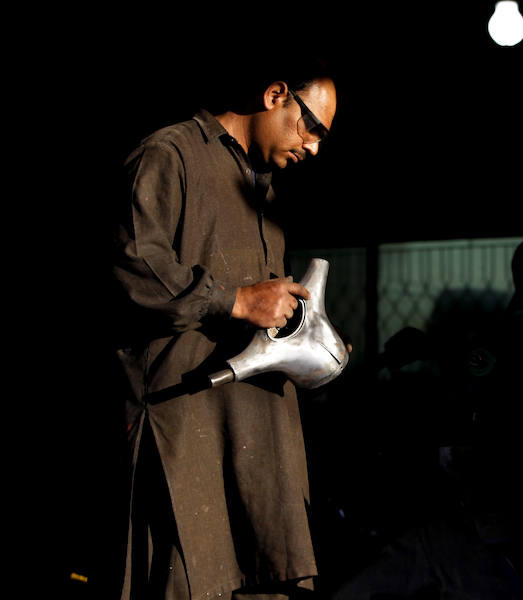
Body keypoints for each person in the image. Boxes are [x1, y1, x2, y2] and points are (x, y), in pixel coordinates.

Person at [110, 61, 337, 600]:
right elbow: (134, 265)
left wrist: (301, 333)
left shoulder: (264, 190)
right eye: (312, 127)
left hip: (257, 438)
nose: (314, 148)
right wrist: (235, 301)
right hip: (184, 427)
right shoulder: (170, 154)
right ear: (276, 94)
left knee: (262, 571)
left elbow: (262, 314)